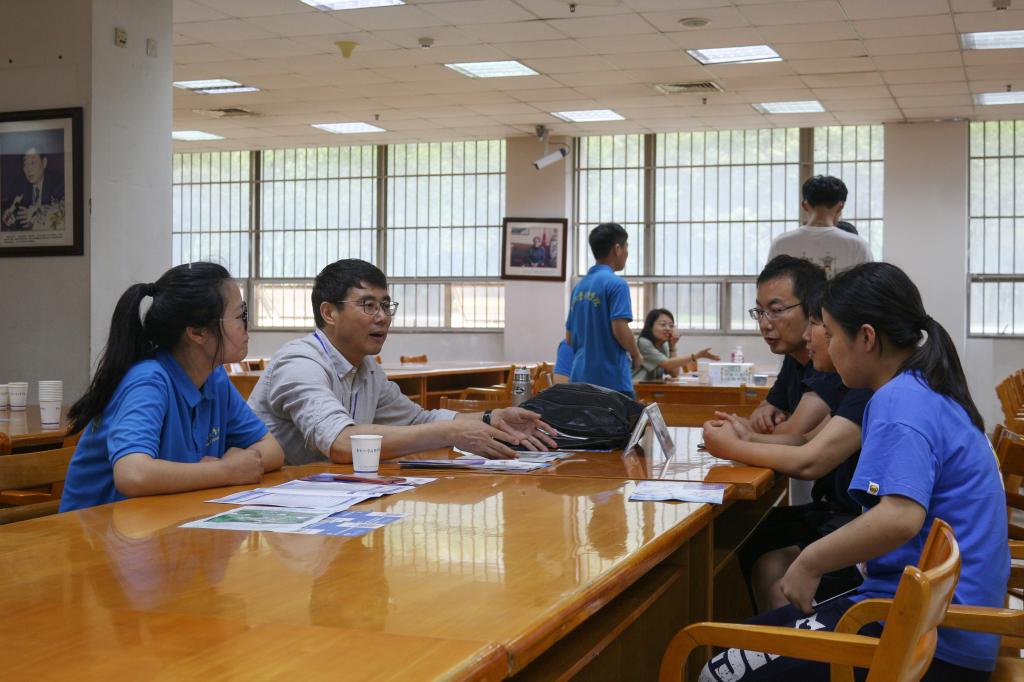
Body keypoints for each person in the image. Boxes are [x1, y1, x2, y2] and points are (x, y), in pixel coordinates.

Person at [699, 262, 1009, 681]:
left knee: (717, 670)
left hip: (924, 639)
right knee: (741, 640)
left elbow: (900, 516)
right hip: (933, 624)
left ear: (866, 337)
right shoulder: (923, 388)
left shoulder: (899, 401)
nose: (818, 341)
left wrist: (810, 562)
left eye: (827, 331)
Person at [249, 259, 555, 465]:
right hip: (274, 509)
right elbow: (342, 444)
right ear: (329, 313)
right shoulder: (300, 363)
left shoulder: (366, 369)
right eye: (368, 306)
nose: (383, 317)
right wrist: (451, 434)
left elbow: (417, 420)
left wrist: (491, 418)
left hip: (330, 497)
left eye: (386, 306)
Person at [59, 262, 284, 512]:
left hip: (159, 523)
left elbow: (272, 449)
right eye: (240, 316)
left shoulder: (214, 378)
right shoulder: (149, 381)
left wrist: (234, 466)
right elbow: (132, 474)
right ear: (197, 332)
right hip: (94, 530)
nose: (246, 326)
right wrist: (225, 470)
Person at [703, 283, 870, 612]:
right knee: (744, 536)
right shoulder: (865, 387)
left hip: (868, 545)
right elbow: (808, 440)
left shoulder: (878, 393)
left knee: (761, 555)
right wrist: (747, 438)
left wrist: (732, 448)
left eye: (822, 329)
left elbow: (810, 460)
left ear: (866, 338)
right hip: (847, 518)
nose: (809, 337)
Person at [743, 256, 831, 436]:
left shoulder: (830, 363)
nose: (764, 324)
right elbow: (763, 413)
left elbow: (793, 434)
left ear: (812, 308)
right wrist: (766, 415)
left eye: (776, 311)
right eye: (760, 312)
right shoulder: (793, 355)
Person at [565, 222, 642, 397]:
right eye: (626, 247)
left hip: (579, 378)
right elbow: (620, 327)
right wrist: (636, 354)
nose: (627, 252)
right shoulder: (617, 284)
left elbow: (569, 338)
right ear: (617, 249)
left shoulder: (579, 288)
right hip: (611, 380)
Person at [766, 175, 872, 278]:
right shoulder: (858, 245)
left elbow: (768, 284)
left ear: (804, 205)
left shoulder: (780, 243)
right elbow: (871, 285)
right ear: (840, 207)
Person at [633, 309, 718, 382]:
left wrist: (672, 346)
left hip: (649, 388)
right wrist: (697, 356)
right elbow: (667, 364)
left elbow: (674, 373)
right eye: (663, 324)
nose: (668, 328)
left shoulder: (664, 344)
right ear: (650, 326)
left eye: (671, 326)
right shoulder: (643, 342)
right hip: (634, 387)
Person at [1, 146, 65, 231]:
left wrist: (37, 213)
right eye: (25, 164)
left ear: (44, 162)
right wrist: (8, 214)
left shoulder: (58, 181)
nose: (29, 169)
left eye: (33, 162)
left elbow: (64, 213)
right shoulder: (19, 183)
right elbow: (9, 205)